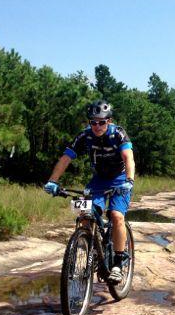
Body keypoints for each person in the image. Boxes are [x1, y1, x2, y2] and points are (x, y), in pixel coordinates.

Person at [44, 99, 135, 284]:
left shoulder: (118, 134)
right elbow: (65, 158)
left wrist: (130, 180)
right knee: (85, 215)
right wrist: (52, 181)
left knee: (117, 216)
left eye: (101, 122)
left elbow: (128, 157)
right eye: (93, 122)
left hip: (120, 179)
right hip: (98, 180)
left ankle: (117, 263)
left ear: (108, 121)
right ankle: (92, 247)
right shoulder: (84, 136)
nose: (97, 126)